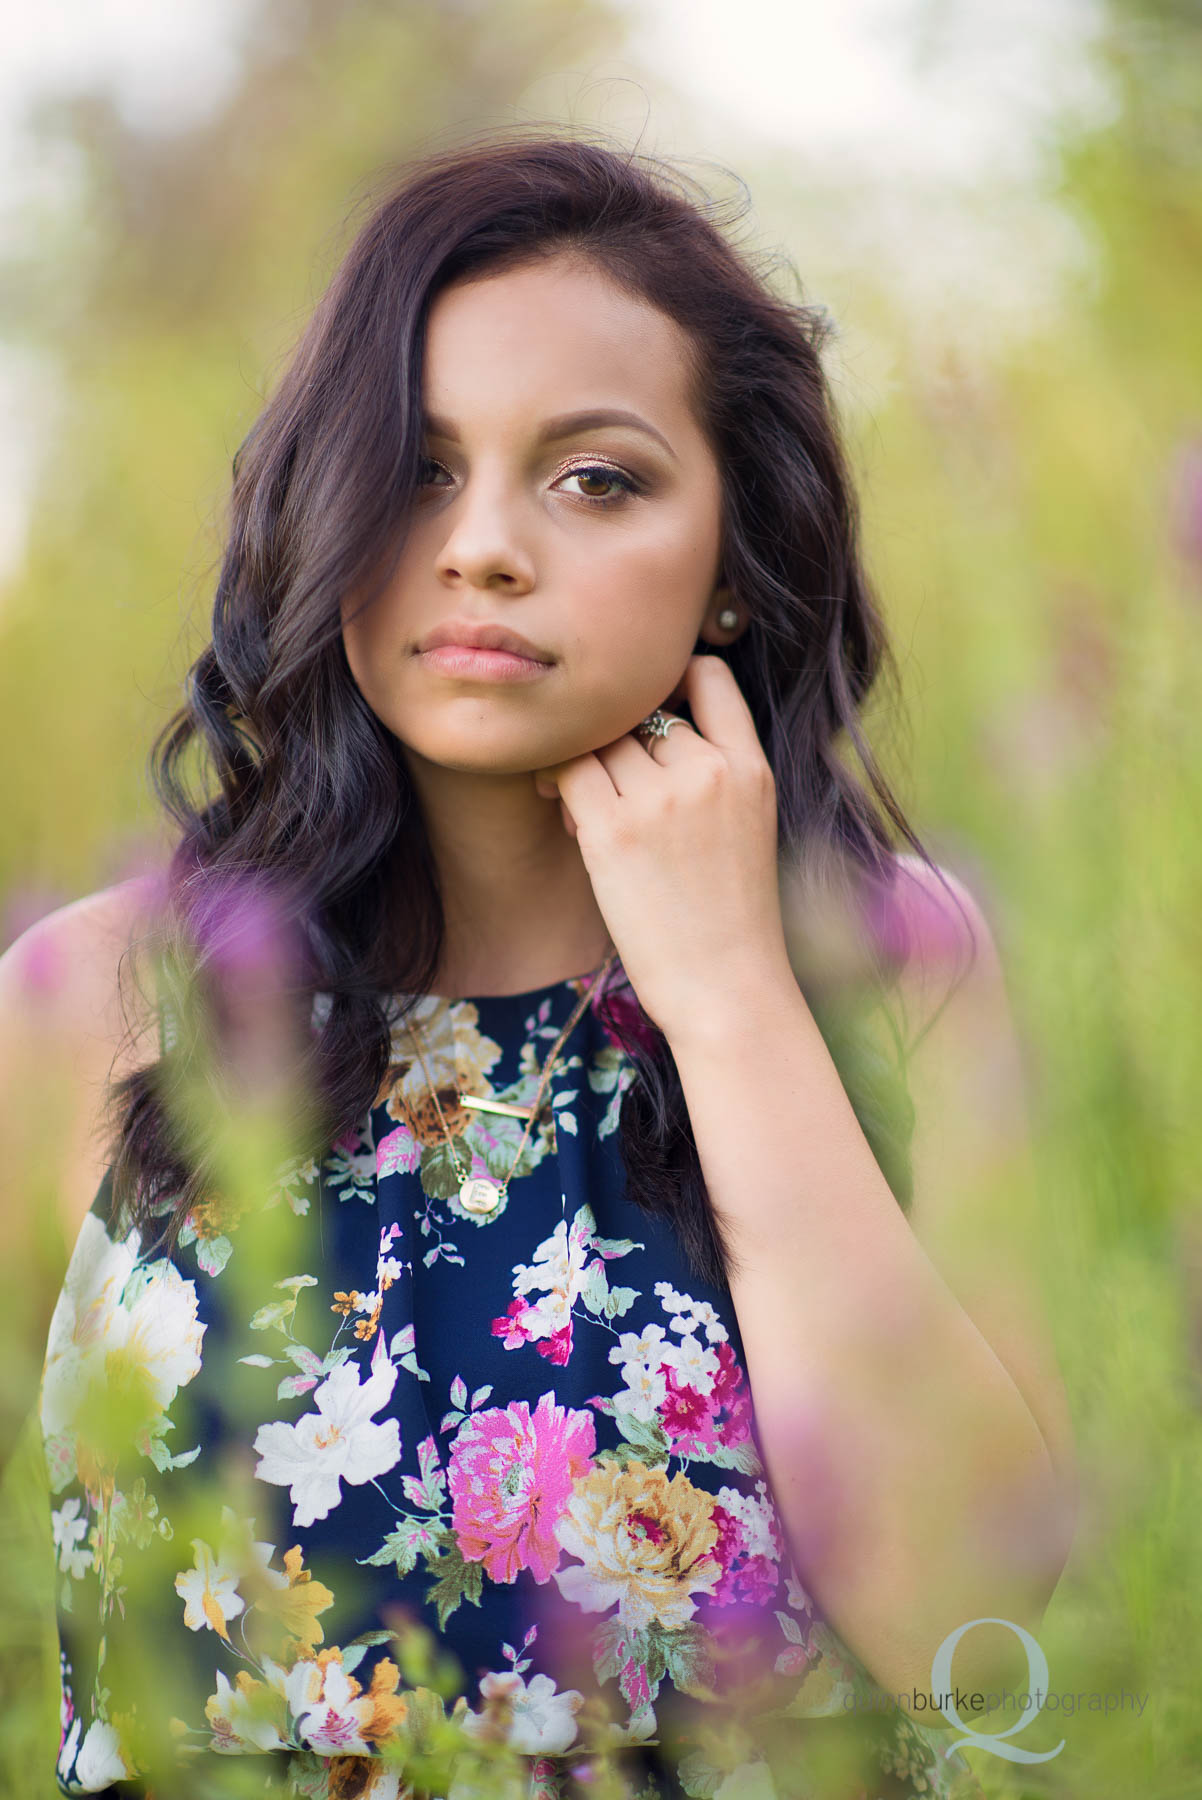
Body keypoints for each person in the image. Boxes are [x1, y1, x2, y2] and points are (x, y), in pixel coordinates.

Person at [0, 131, 1078, 1800]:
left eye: (595, 479)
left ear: (731, 556)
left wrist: (728, 993)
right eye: (418, 469)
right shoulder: (103, 1005)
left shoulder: (887, 963)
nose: (485, 546)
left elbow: (970, 1601)